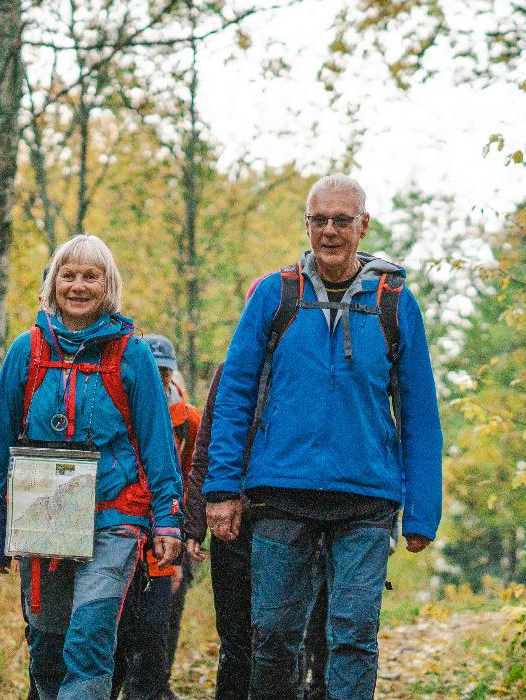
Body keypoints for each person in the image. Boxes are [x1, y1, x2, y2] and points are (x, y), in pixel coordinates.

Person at [204, 175, 445, 700]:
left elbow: (419, 410)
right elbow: (235, 394)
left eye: (342, 220)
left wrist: (422, 510)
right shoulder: (275, 294)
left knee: (354, 637)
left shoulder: (394, 301)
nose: (330, 231)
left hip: (366, 499)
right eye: (320, 220)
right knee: (272, 637)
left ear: (364, 225)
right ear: (306, 224)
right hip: (280, 494)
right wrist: (222, 489)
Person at [0, 234, 184, 700]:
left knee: (89, 639)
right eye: (69, 275)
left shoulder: (133, 355)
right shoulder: (27, 351)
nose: (79, 286)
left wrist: (167, 520)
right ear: (53, 283)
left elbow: (158, 447)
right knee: (46, 650)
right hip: (42, 518)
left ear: (108, 286)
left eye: (91, 276)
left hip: (114, 519)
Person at [198, 363, 330, 700]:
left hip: (294, 520)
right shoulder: (230, 371)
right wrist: (192, 524)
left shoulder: (312, 368)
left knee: (283, 636)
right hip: (232, 523)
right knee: (235, 640)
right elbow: (206, 452)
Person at [111, 335, 205, 700]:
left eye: (163, 372)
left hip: (169, 534)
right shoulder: (115, 407)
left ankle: (153, 688)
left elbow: (194, 476)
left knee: (159, 625)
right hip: (123, 530)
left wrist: (183, 538)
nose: (157, 378)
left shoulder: (188, 420)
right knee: (118, 628)